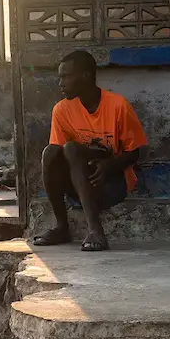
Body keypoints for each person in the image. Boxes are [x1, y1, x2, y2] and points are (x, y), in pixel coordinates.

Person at [31, 50, 148, 252]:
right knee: (50, 152)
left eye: (66, 76)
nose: (61, 83)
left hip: (111, 184)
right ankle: (61, 227)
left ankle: (96, 230)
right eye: (60, 77)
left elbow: (136, 152)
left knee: (71, 148)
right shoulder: (61, 109)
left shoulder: (118, 105)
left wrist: (110, 165)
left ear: (85, 75)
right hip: (79, 184)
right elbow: (58, 155)